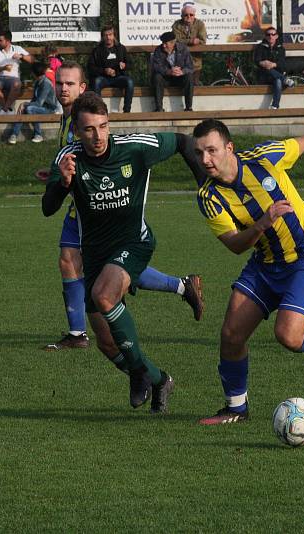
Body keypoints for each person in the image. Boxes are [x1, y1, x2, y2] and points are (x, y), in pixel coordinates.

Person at [191, 119, 304, 425]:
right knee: (231, 335)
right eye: (199, 152)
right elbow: (233, 244)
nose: (206, 159)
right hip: (264, 264)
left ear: (229, 148)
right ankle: (236, 408)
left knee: (288, 335)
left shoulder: (263, 158)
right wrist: (261, 224)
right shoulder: (209, 197)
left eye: (212, 150)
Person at [42, 92, 204, 414]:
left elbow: (185, 141)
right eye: (89, 129)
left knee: (104, 296)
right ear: (76, 130)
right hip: (96, 254)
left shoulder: (135, 147)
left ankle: (139, 373)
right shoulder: (68, 157)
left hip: (134, 243)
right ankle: (158, 379)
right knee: (106, 342)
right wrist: (62, 182)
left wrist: (204, 186)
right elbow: (48, 208)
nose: (98, 135)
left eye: (103, 127)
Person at [7, 60, 58, 144]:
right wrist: (24, 106)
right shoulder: (38, 82)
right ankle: (14, 134)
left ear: (34, 73)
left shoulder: (46, 83)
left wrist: (24, 104)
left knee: (30, 108)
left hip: (49, 109)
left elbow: (39, 103)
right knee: (25, 109)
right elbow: (35, 100)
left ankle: (38, 134)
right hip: (40, 107)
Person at [87, 25, 134, 113]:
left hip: (118, 77)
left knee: (129, 82)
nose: (108, 37)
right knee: (96, 82)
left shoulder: (121, 48)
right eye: (106, 35)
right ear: (103, 37)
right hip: (103, 78)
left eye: (110, 34)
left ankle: (127, 110)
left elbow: (130, 64)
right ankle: (99, 110)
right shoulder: (97, 50)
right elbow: (91, 67)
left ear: (114, 35)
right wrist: (104, 71)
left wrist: (124, 66)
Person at [0, 30, 32, 114]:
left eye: (0, 40)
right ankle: (7, 109)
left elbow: (32, 59)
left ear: (8, 41)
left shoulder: (17, 49)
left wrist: (21, 56)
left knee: (17, 84)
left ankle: (4, 110)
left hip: (13, 78)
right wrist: (2, 68)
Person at [150, 31, 195, 112]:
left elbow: (190, 67)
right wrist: (168, 71)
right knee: (157, 77)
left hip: (180, 78)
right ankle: (159, 108)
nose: (163, 45)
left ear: (173, 43)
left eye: (165, 43)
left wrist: (182, 71)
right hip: (166, 78)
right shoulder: (158, 50)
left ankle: (189, 108)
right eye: (162, 43)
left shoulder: (183, 49)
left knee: (189, 76)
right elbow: (156, 67)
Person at [253, 27, 294, 110]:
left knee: (278, 80)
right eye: (268, 35)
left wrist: (274, 64)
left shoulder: (280, 48)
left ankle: (275, 106)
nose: (270, 36)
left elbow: (283, 64)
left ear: (276, 36)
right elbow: (256, 60)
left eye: (273, 34)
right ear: (265, 36)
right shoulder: (260, 47)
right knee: (267, 68)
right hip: (264, 76)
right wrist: (263, 63)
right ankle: (285, 79)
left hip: (276, 75)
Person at [172, 5, 207, 85]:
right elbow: (176, 40)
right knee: (179, 86)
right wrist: (191, 41)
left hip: (195, 62)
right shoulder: (176, 24)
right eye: (186, 15)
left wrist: (184, 42)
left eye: (191, 15)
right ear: (182, 16)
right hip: (180, 62)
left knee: (194, 84)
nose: (189, 16)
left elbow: (202, 41)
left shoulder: (200, 24)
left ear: (194, 15)